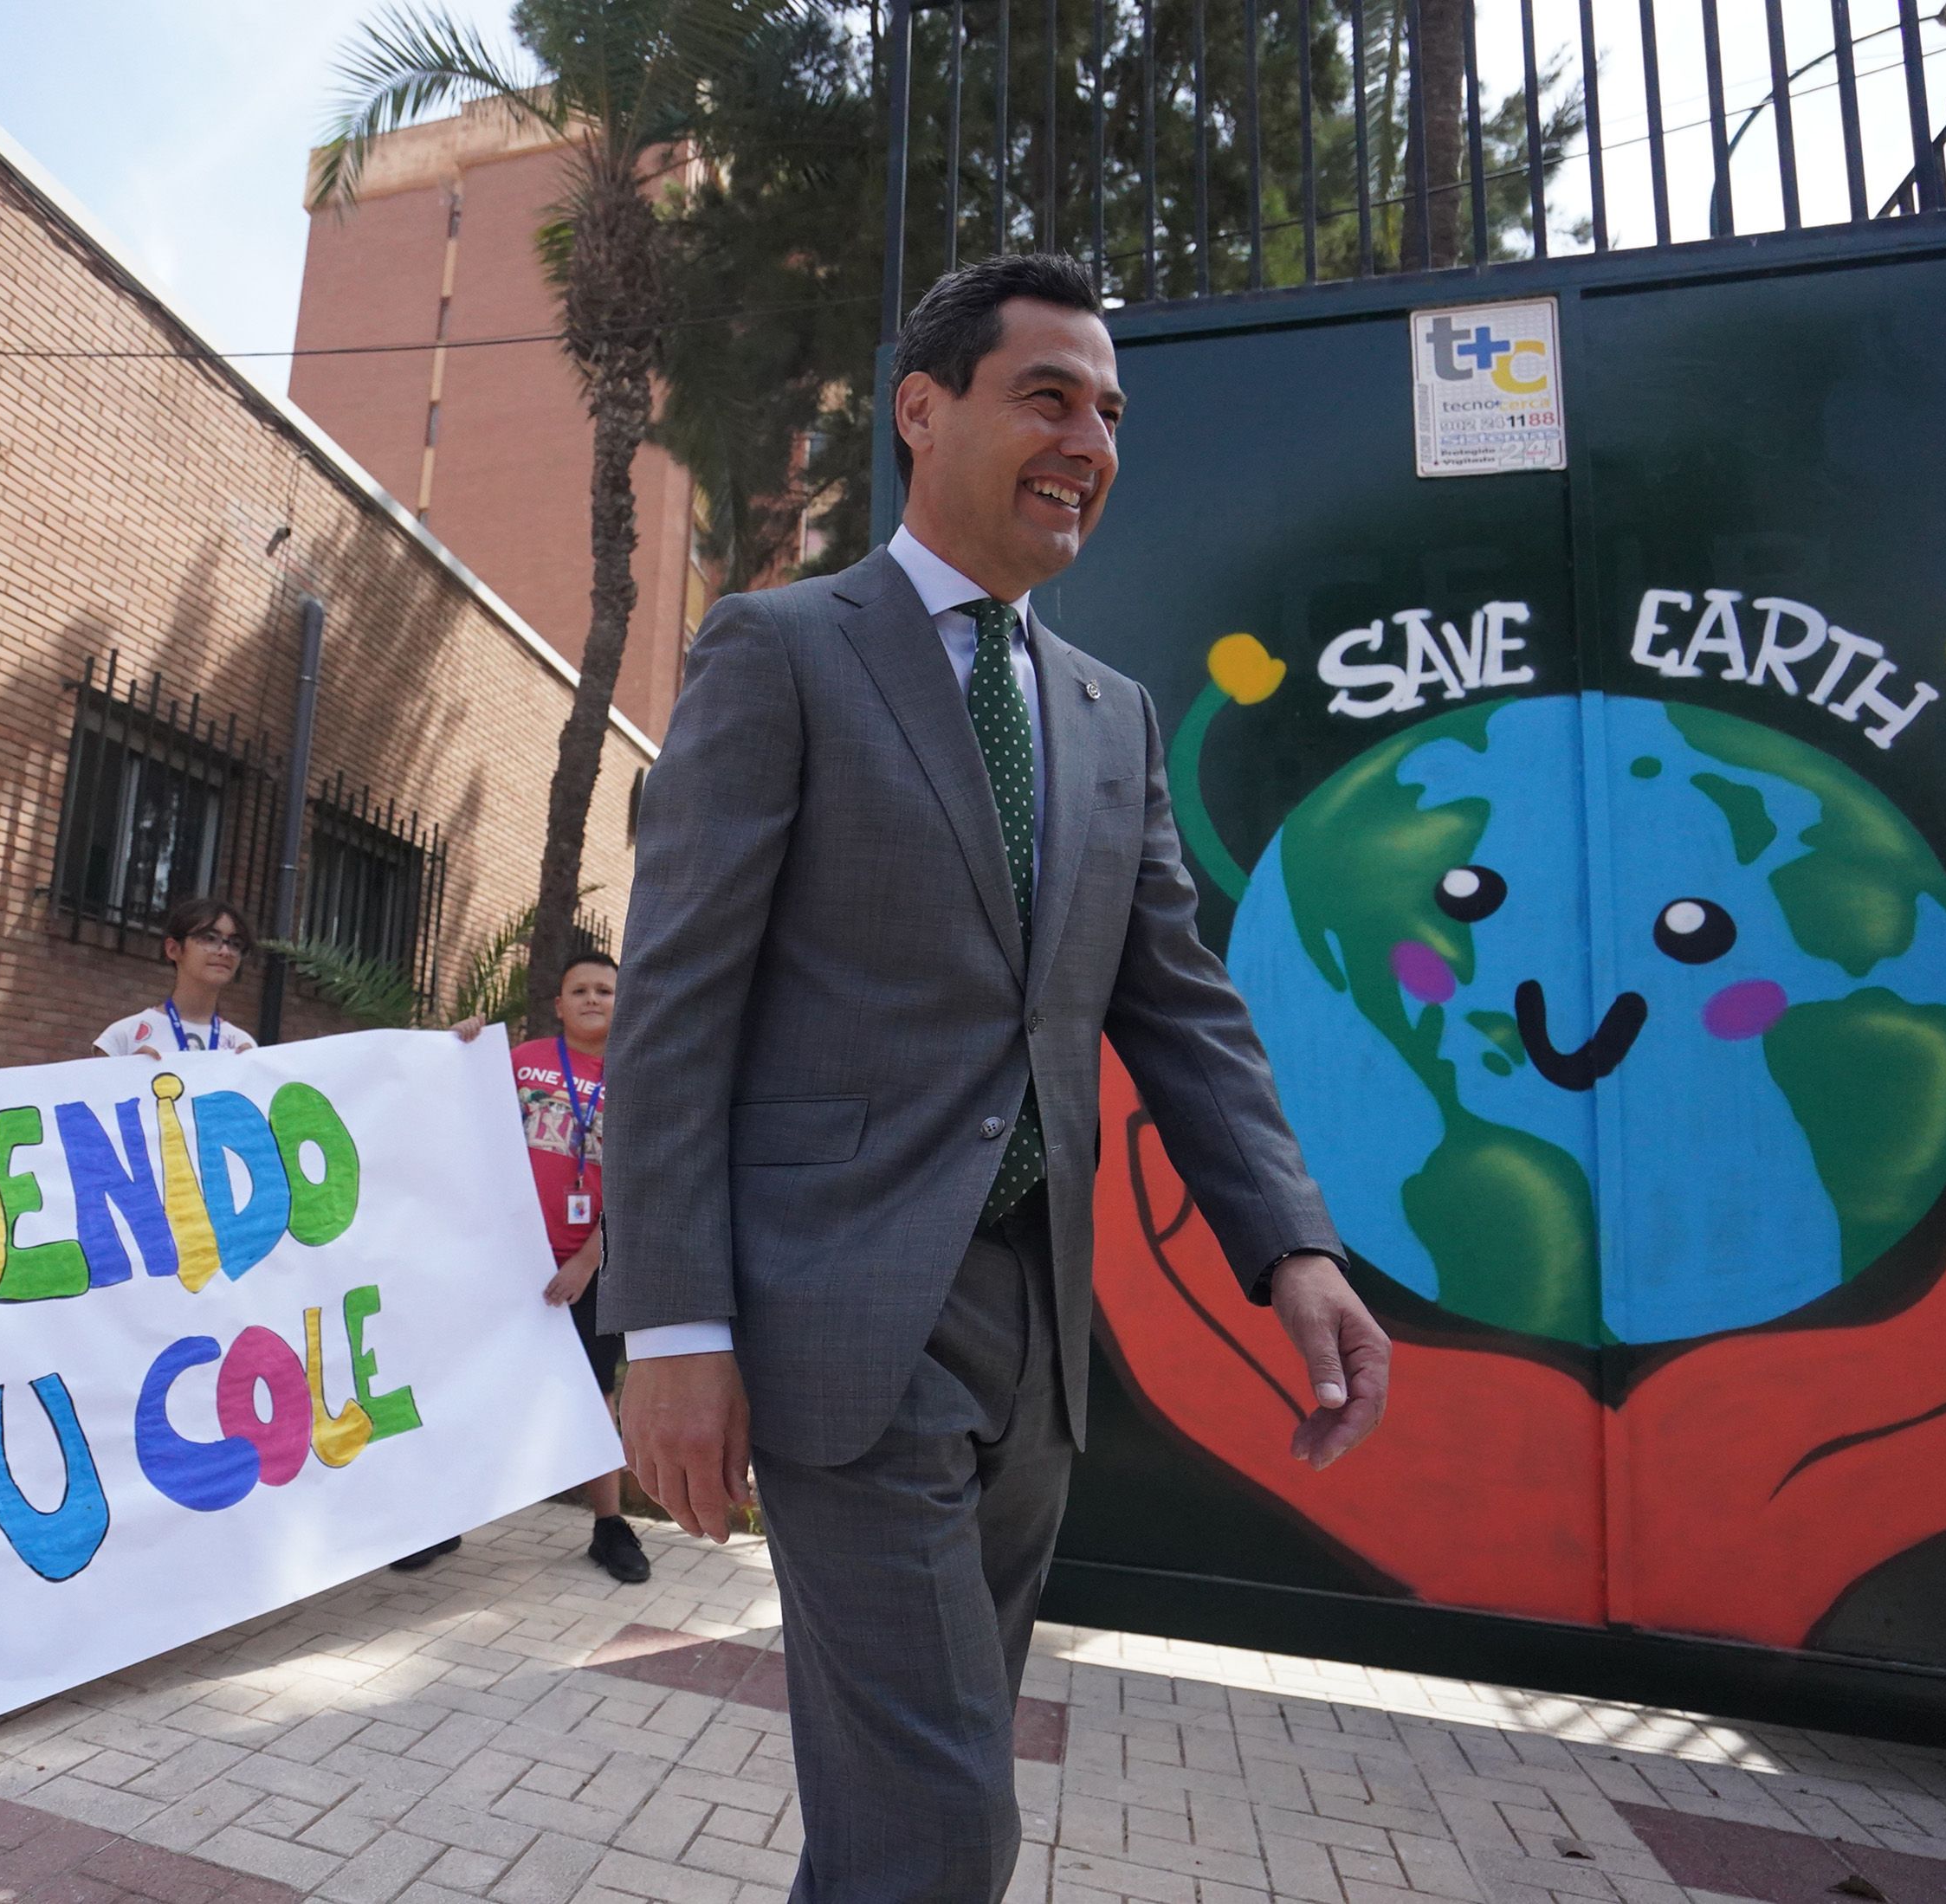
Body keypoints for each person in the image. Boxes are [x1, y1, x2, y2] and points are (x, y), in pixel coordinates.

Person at [600, 254, 1393, 1904]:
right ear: (923, 410)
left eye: (1108, 409)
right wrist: (670, 1326)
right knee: (943, 1815)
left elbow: (1175, 1007)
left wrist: (1293, 1246)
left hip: (1036, 1337)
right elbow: (675, 1002)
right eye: (1047, 393)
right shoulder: (783, 650)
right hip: (836, 1321)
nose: (1088, 436)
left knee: (910, 1796)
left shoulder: (1108, 713)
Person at [393, 952, 650, 1582]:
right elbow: (458, 1110)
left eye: (605, 990)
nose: (592, 998)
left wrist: (590, 1257)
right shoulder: (524, 1061)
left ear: (623, 1003)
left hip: (589, 1264)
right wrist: (462, 1047)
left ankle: (609, 1525)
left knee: (595, 1391)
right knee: (477, 1379)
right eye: (579, 989)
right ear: (557, 1005)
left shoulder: (638, 1075)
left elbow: (642, 1177)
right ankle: (447, 1516)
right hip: (508, 1258)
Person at [94, 895, 260, 1060]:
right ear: (173, 949)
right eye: (209, 938)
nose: (225, 951)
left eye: (235, 943)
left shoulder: (243, 1045)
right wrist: (132, 1074)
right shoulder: (124, 1036)